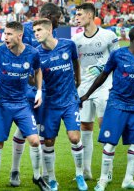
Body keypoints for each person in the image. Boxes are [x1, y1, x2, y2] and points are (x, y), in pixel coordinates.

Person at [0, 21, 49, 191]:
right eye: (4, 34)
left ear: (19, 35)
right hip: (2, 104)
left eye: (9, 34)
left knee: (35, 141)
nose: (5, 37)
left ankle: (37, 177)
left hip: (22, 104)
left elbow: (38, 71)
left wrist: (39, 90)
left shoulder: (32, 53)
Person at [80, 26, 134, 191]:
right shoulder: (118, 54)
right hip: (116, 104)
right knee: (110, 143)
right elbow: (103, 75)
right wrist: (87, 95)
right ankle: (103, 180)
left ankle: (128, 180)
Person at [10, 2, 62, 186]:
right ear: (48, 15)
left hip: (42, 89)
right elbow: (10, 51)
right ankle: (19, 171)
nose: (60, 21)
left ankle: (34, 173)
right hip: (24, 89)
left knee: (29, 129)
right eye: (57, 18)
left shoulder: (51, 33)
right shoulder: (24, 30)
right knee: (29, 130)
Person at [33, 19, 88, 191]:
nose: (36, 33)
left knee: (74, 137)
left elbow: (75, 63)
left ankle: (79, 174)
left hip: (69, 100)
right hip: (49, 103)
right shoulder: (36, 54)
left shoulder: (68, 45)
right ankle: (52, 178)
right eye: (34, 30)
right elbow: (34, 77)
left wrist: (78, 81)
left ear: (49, 30)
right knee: (48, 141)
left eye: (39, 30)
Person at [72, 3, 119, 181]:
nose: (77, 17)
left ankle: (108, 170)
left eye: (80, 14)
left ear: (90, 15)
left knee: (104, 126)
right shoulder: (76, 40)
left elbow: (118, 61)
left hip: (104, 88)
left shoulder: (109, 36)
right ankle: (86, 170)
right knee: (85, 126)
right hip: (83, 88)